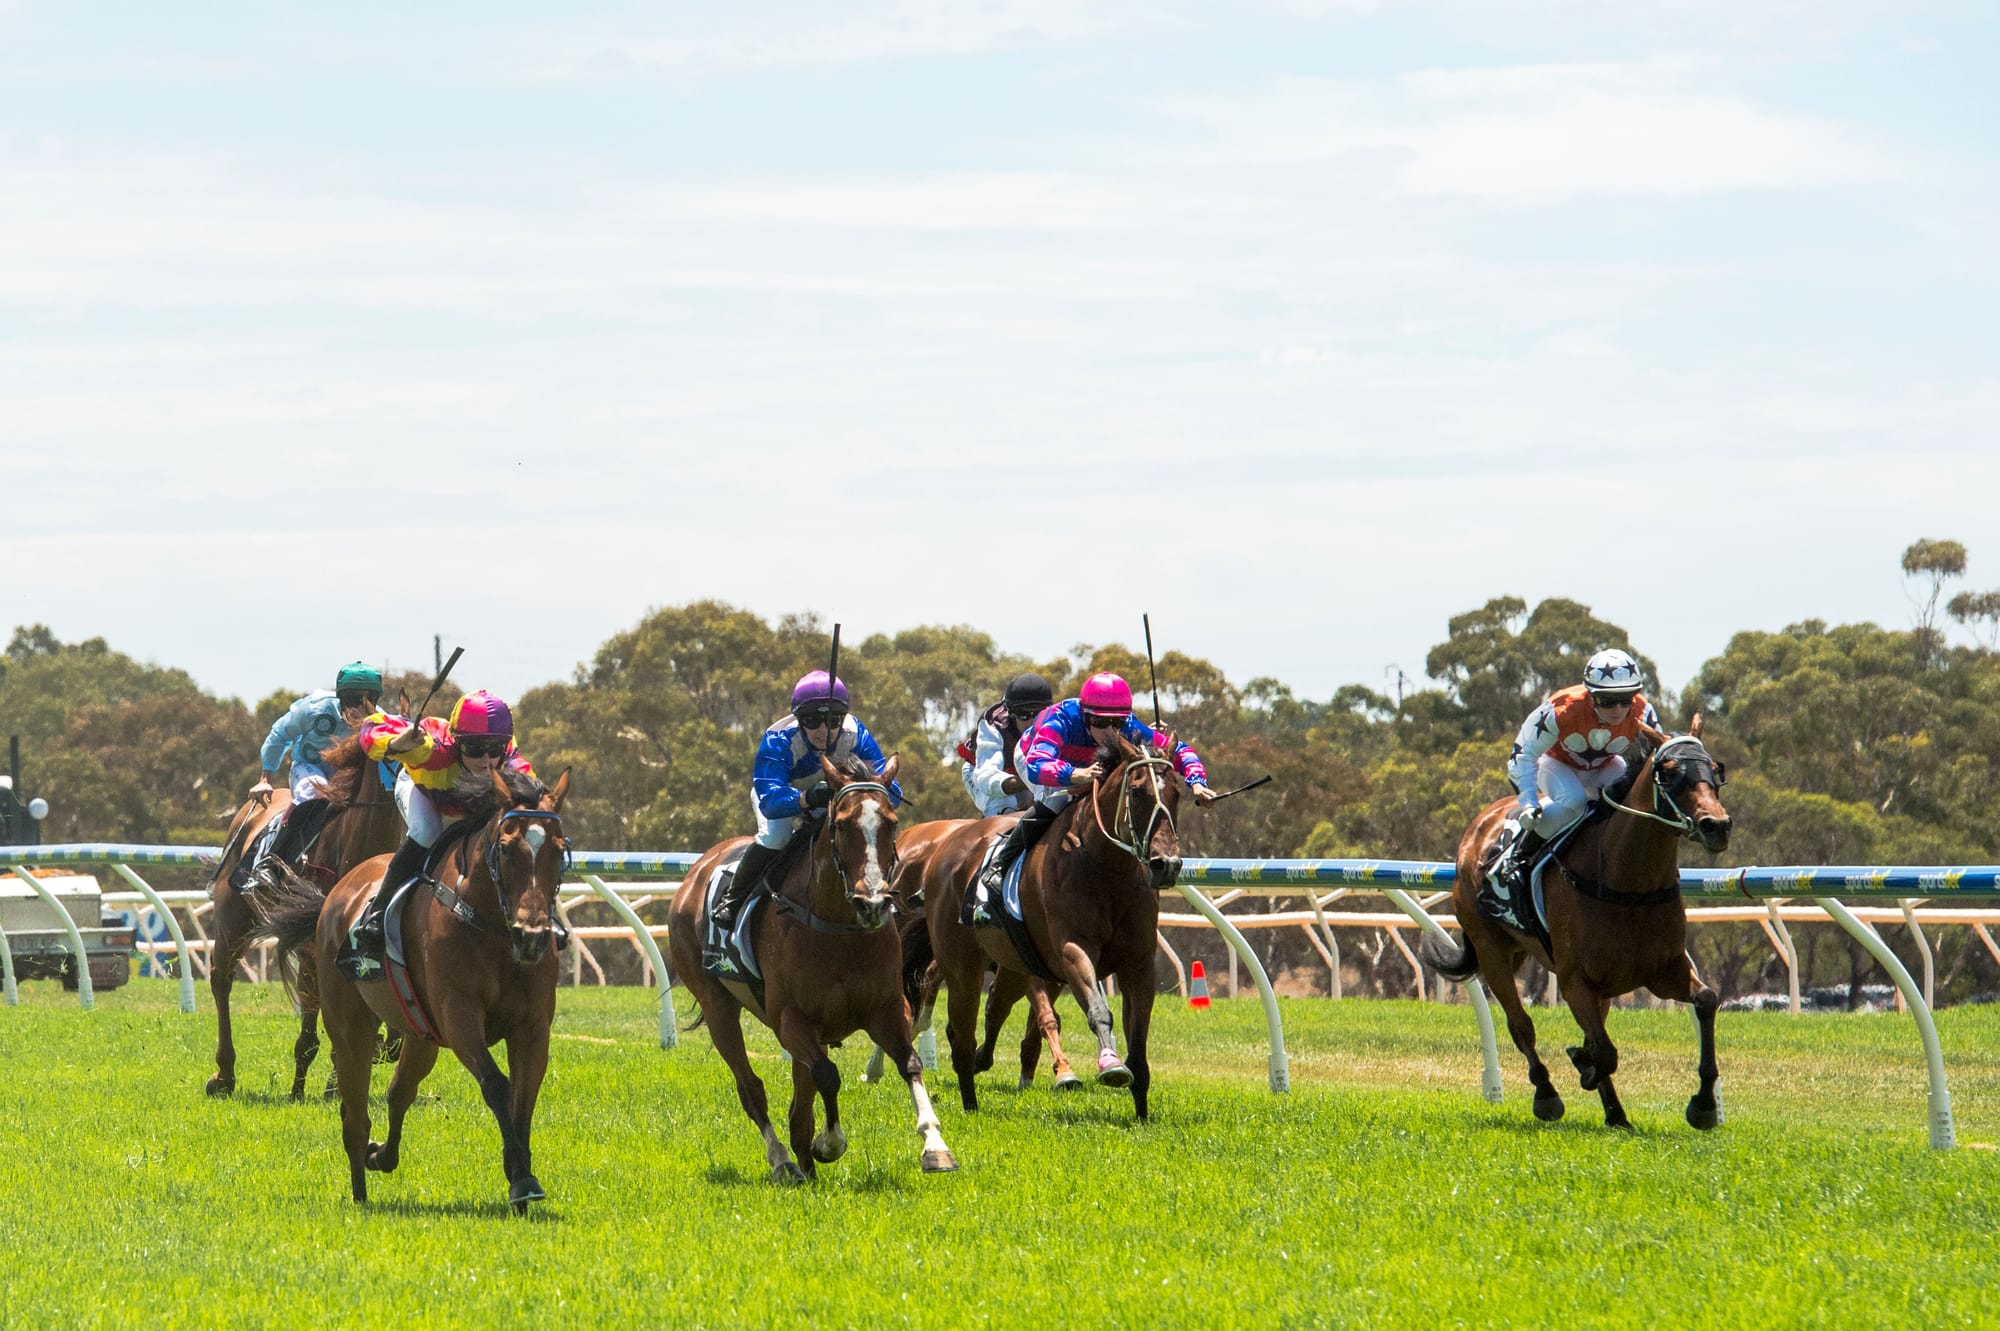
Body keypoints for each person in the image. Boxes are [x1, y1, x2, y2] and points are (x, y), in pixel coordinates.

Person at [966, 671, 1215, 925]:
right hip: (1035, 758)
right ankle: (997, 869)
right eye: (1099, 722)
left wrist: (1197, 783)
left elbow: (1180, 750)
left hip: (1087, 764)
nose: (1109, 731)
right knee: (1058, 803)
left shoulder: (1127, 724)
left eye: (1116, 723)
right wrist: (1074, 774)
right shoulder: (1060, 718)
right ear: (1085, 715)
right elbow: (1037, 766)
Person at [338, 690, 538, 977]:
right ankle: (376, 915)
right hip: (423, 791)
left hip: (469, 803)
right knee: (427, 830)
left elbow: (530, 784)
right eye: (474, 748)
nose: (486, 760)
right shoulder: (433, 746)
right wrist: (396, 743)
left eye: (495, 748)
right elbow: (371, 727)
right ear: (457, 743)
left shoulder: (508, 761)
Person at [706, 671, 904, 952]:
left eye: (833, 719)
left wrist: (878, 793)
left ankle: (879, 895)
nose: (824, 729)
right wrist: (806, 798)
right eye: (812, 720)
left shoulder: (856, 733)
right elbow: (771, 800)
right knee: (776, 837)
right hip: (783, 796)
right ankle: (732, 900)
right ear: (799, 719)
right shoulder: (778, 740)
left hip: (837, 802)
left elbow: (892, 788)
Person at [1481, 648, 1661, 925]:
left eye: (1625, 699)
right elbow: (1523, 754)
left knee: (1626, 804)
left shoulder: (1643, 711)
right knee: (1575, 801)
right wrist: (1528, 802)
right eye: (1608, 700)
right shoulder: (1559, 711)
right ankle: (1512, 856)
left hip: (1603, 766)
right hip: (1555, 766)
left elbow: (1657, 758)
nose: (1619, 710)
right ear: (1590, 695)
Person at [244, 661, 382, 889]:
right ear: (340, 697)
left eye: (369, 700)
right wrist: (265, 778)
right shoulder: (313, 709)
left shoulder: (380, 721)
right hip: (309, 768)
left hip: (346, 777)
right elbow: (279, 735)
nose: (359, 708)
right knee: (315, 789)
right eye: (352, 699)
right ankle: (270, 861)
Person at [956, 672, 1054, 817]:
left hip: (1026, 777)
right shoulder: (994, 726)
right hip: (981, 774)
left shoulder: (1057, 722)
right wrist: (1028, 783)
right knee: (1005, 809)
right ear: (1010, 712)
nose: (1031, 722)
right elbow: (986, 777)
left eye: (1039, 713)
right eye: (1023, 713)